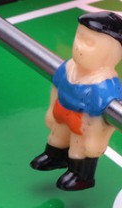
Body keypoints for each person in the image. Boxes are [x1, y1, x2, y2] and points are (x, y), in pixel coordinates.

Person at [30, 12, 122, 191]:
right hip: (61, 111)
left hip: (83, 123)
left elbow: (102, 118)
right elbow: (56, 88)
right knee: (57, 135)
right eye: (79, 37)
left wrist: (95, 138)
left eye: (89, 43)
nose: (79, 46)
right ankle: (55, 156)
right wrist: (51, 110)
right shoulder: (68, 68)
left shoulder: (104, 85)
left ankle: (81, 175)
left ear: (110, 53)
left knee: (80, 148)